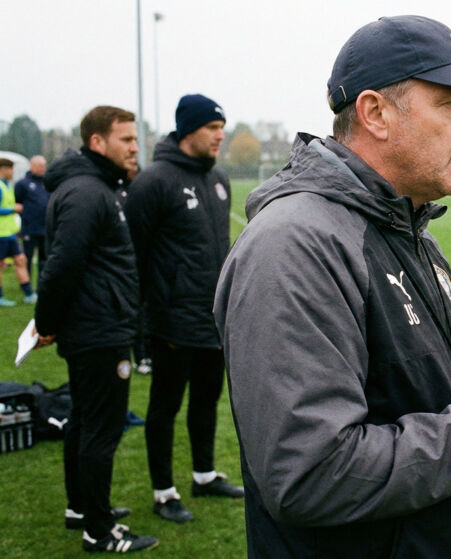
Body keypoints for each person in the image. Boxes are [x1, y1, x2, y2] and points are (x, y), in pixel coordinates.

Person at [213, 15, 451, 558]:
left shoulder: (410, 230)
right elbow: (311, 474)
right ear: (375, 112)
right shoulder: (294, 245)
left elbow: (417, 403)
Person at [34, 106, 158, 552]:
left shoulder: (94, 187)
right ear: (97, 143)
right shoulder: (88, 192)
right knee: (100, 430)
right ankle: (99, 530)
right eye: (125, 139)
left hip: (94, 326)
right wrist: (46, 323)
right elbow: (61, 265)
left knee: (83, 423)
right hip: (99, 331)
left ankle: (81, 508)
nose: (134, 147)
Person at [124, 93, 242, 524]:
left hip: (213, 318)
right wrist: (140, 326)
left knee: (208, 401)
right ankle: (163, 491)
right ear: (189, 129)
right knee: (165, 406)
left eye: (221, 128)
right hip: (171, 321)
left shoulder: (219, 179)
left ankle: (205, 475)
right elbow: (133, 256)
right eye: (213, 128)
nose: (220, 136)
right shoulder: (153, 181)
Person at [0, 158, 35, 306]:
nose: (13, 173)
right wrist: (13, 209)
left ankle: (29, 294)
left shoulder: (7, 186)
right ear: (3, 169)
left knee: (21, 260)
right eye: (11, 169)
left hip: (10, 233)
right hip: (0, 234)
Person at [14, 155, 49, 289]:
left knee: (44, 259)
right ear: (31, 166)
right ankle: (27, 286)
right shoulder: (23, 184)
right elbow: (18, 203)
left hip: (45, 228)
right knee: (27, 258)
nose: (42, 168)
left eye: (44, 166)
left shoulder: (47, 183)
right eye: (39, 166)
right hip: (30, 228)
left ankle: (42, 283)